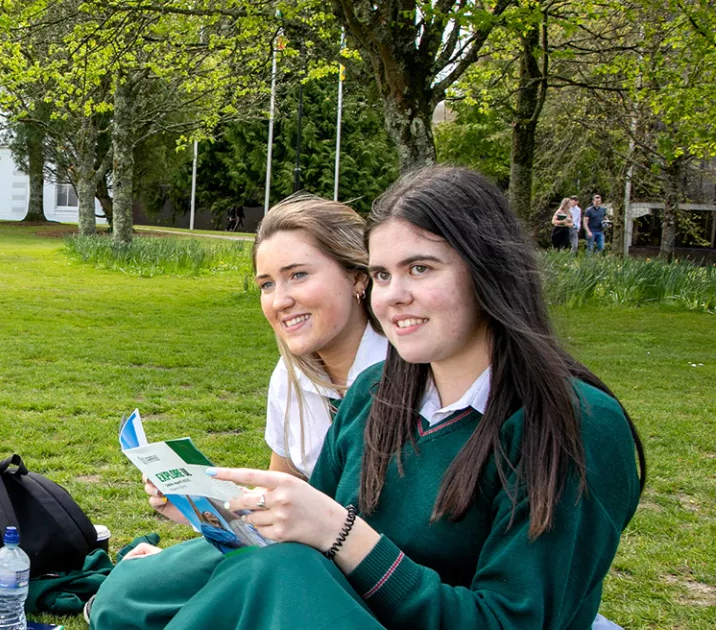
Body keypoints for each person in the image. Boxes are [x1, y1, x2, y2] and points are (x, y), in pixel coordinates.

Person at [90, 166, 645, 630]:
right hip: (346, 603)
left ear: (488, 270)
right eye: (382, 274)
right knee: (130, 594)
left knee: (273, 577)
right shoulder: (374, 394)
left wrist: (340, 533)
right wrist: (211, 504)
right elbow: (307, 534)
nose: (394, 295)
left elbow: (507, 621)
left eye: (420, 268)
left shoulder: (576, 425)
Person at [142, 196, 387, 532]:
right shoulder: (290, 376)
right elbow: (280, 492)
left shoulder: (408, 376)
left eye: (298, 275)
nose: (279, 301)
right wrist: (205, 504)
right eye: (267, 284)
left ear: (358, 278)